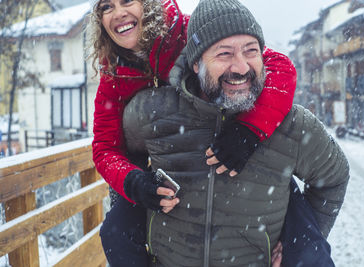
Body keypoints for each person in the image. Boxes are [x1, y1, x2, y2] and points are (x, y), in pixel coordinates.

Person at [120, 0, 350, 266]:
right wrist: (134, 199)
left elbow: (334, 177)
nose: (241, 68)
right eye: (224, 54)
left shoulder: (292, 125)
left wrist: (299, 243)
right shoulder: (151, 112)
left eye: (251, 51)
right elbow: (119, 157)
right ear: (196, 63)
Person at [87, 0, 296, 265]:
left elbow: (278, 67)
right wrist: (133, 180)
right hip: (167, 161)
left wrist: (250, 129)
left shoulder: (185, 32)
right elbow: (105, 147)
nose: (118, 13)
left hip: (231, 139)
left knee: (296, 219)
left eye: (127, 1)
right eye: (106, 7)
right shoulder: (114, 72)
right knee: (116, 233)